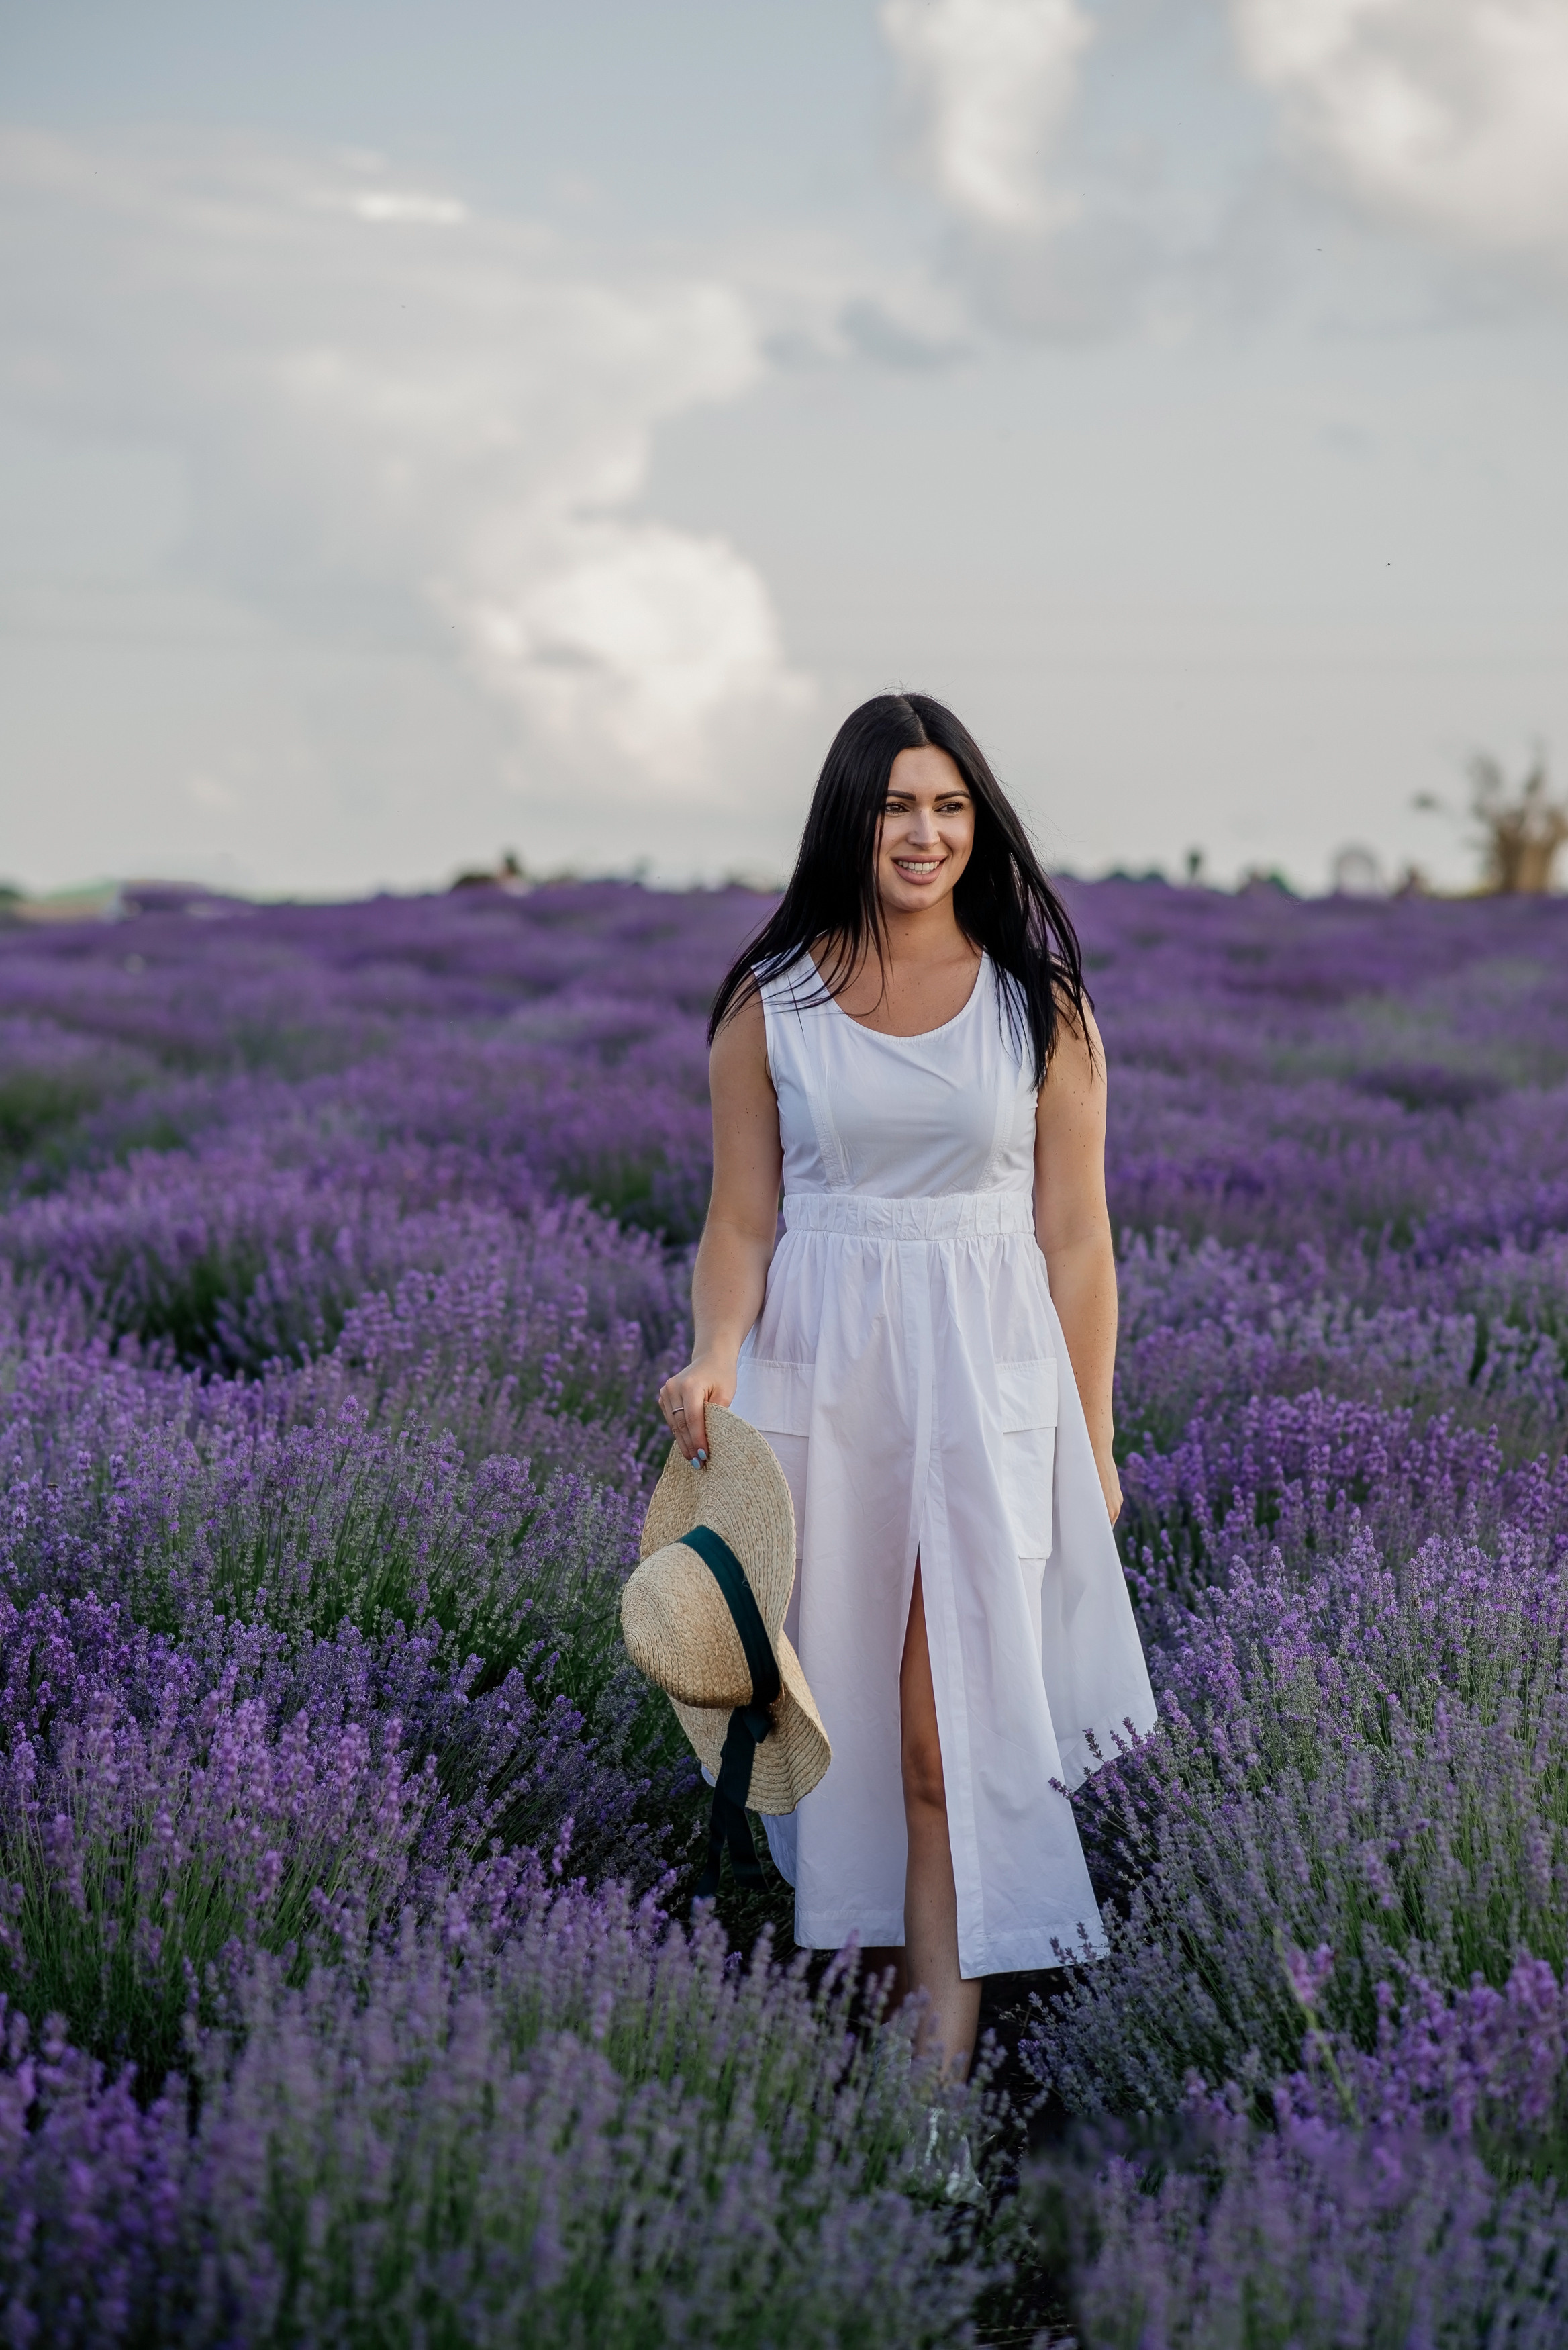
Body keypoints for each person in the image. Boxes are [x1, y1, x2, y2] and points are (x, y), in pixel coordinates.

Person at [658, 692, 1155, 2077]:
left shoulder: (1038, 1005)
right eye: (895, 806)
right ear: (850, 820)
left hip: (990, 1389)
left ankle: (930, 2113)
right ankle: (880, 2083)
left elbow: (1078, 1239)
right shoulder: (772, 1002)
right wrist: (713, 1350)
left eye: (948, 806)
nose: (924, 833)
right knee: (845, 1753)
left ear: (977, 822)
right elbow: (739, 1221)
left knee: (945, 1751)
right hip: (821, 1384)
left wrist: (1093, 1441)